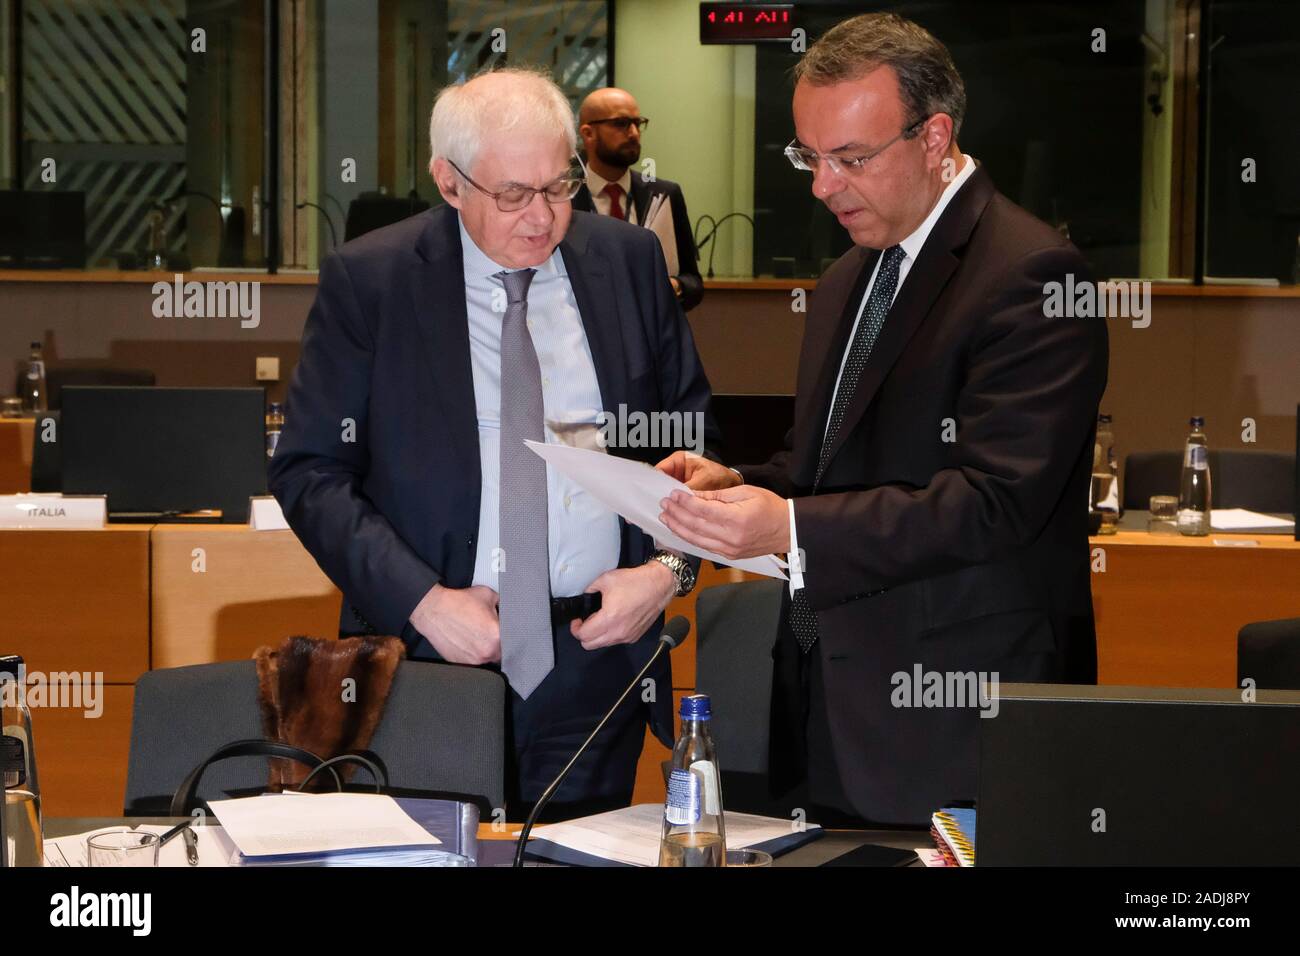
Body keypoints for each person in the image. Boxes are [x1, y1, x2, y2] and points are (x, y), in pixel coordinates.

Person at [658, 13, 1108, 826]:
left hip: (955, 714)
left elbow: (995, 502)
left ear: (935, 138)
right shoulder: (845, 280)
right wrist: (738, 486)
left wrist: (787, 525)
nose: (822, 185)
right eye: (809, 157)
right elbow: (823, 468)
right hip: (821, 702)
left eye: (850, 160)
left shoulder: (1034, 272)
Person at [270, 67, 717, 819]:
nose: (542, 218)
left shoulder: (630, 263)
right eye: (513, 195)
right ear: (450, 182)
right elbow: (311, 472)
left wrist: (668, 573)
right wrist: (423, 603)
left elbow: (689, 447)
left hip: (597, 654)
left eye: (558, 187)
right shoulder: (372, 281)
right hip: (430, 662)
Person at [572, 87, 705, 312]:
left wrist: (675, 286)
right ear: (588, 133)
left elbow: (693, 282)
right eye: (621, 123)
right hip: (583, 334)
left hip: (650, 337)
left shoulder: (664, 194)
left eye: (637, 123)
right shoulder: (564, 198)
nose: (633, 133)